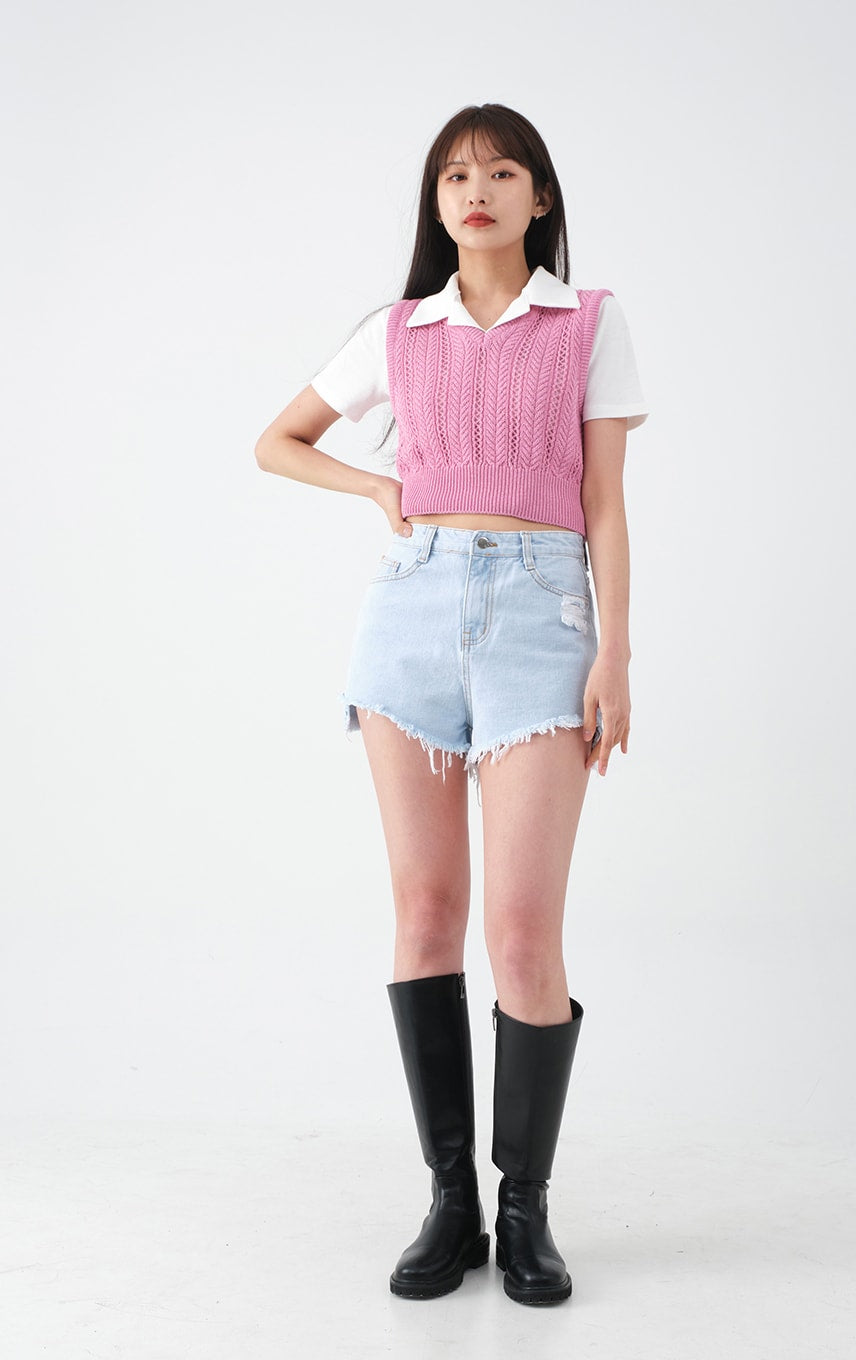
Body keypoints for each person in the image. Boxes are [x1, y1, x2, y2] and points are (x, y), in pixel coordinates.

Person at [254, 103, 648, 1306]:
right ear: (436, 203)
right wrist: (378, 489)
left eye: (502, 172)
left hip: (543, 616)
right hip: (411, 616)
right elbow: (278, 441)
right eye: (454, 176)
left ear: (540, 197)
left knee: (522, 933)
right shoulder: (399, 330)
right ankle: (450, 1201)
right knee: (425, 912)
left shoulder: (588, 322)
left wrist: (615, 652)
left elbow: (605, 500)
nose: (476, 192)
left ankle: (525, 1208)